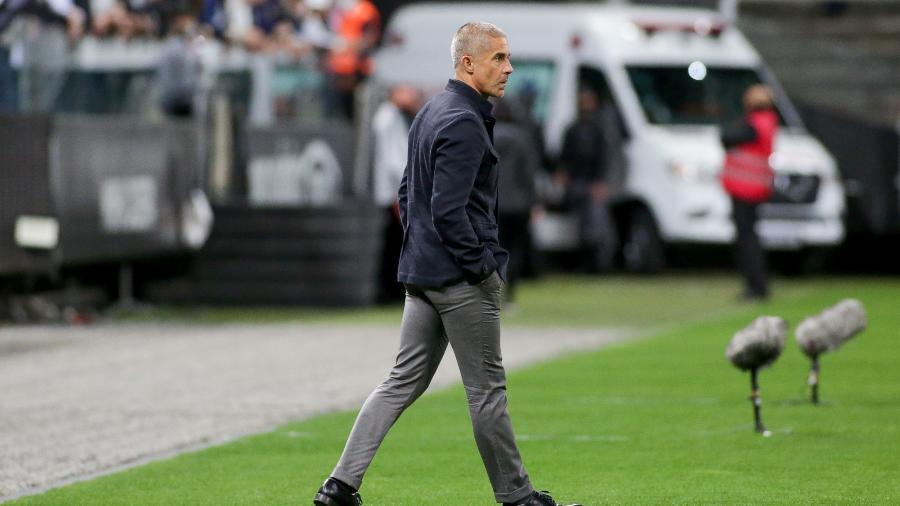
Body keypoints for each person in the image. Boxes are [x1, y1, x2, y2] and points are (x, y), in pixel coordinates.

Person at [313, 22, 580, 506]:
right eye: (498, 58)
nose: (509, 67)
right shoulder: (461, 119)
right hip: (458, 280)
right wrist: (481, 267)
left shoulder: (434, 108)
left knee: (400, 382)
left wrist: (421, 252)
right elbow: (447, 208)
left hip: (424, 273)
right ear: (467, 63)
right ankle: (517, 497)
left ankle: (339, 486)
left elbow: (406, 191)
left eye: (507, 57)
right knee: (487, 391)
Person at [720, 84, 778, 300]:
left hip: (746, 188)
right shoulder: (767, 122)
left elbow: (726, 136)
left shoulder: (755, 124)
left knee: (747, 239)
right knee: (750, 237)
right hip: (754, 187)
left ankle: (756, 286)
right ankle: (756, 284)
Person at [557, 87, 618, 273]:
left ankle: (598, 264)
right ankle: (583, 262)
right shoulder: (573, 129)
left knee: (595, 226)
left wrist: (600, 182)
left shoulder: (598, 130)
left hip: (592, 183)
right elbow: (565, 156)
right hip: (577, 182)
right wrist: (563, 174)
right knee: (581, 227)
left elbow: (604, 157)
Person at [371, 83, 422, 303]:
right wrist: (401, 193)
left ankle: (390, 290)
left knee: (394, 242)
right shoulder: (388, 118)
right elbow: (393, 159)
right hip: (394, 192)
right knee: (395, 244)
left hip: (394, 190)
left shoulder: (390, 117)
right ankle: (390, 291)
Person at [493, 98, 539, 305]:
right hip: (519, 203)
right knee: (515, 249)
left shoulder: (487, 137)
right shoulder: (521, 139)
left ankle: (493, 289)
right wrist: (534, 201)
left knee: (494, 247)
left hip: (493, 202)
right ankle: (510, 294)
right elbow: (528, 174)